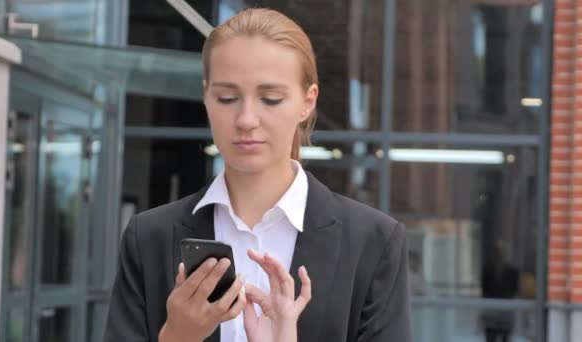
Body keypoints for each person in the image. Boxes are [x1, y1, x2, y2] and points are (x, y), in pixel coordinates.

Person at [104, 8, 411, 342]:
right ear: (206, 96)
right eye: (227, 98)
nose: (246, 118)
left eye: (270, 99)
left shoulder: (373, 242)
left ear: (307, 102)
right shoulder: (148, 238)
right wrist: (177, 336)